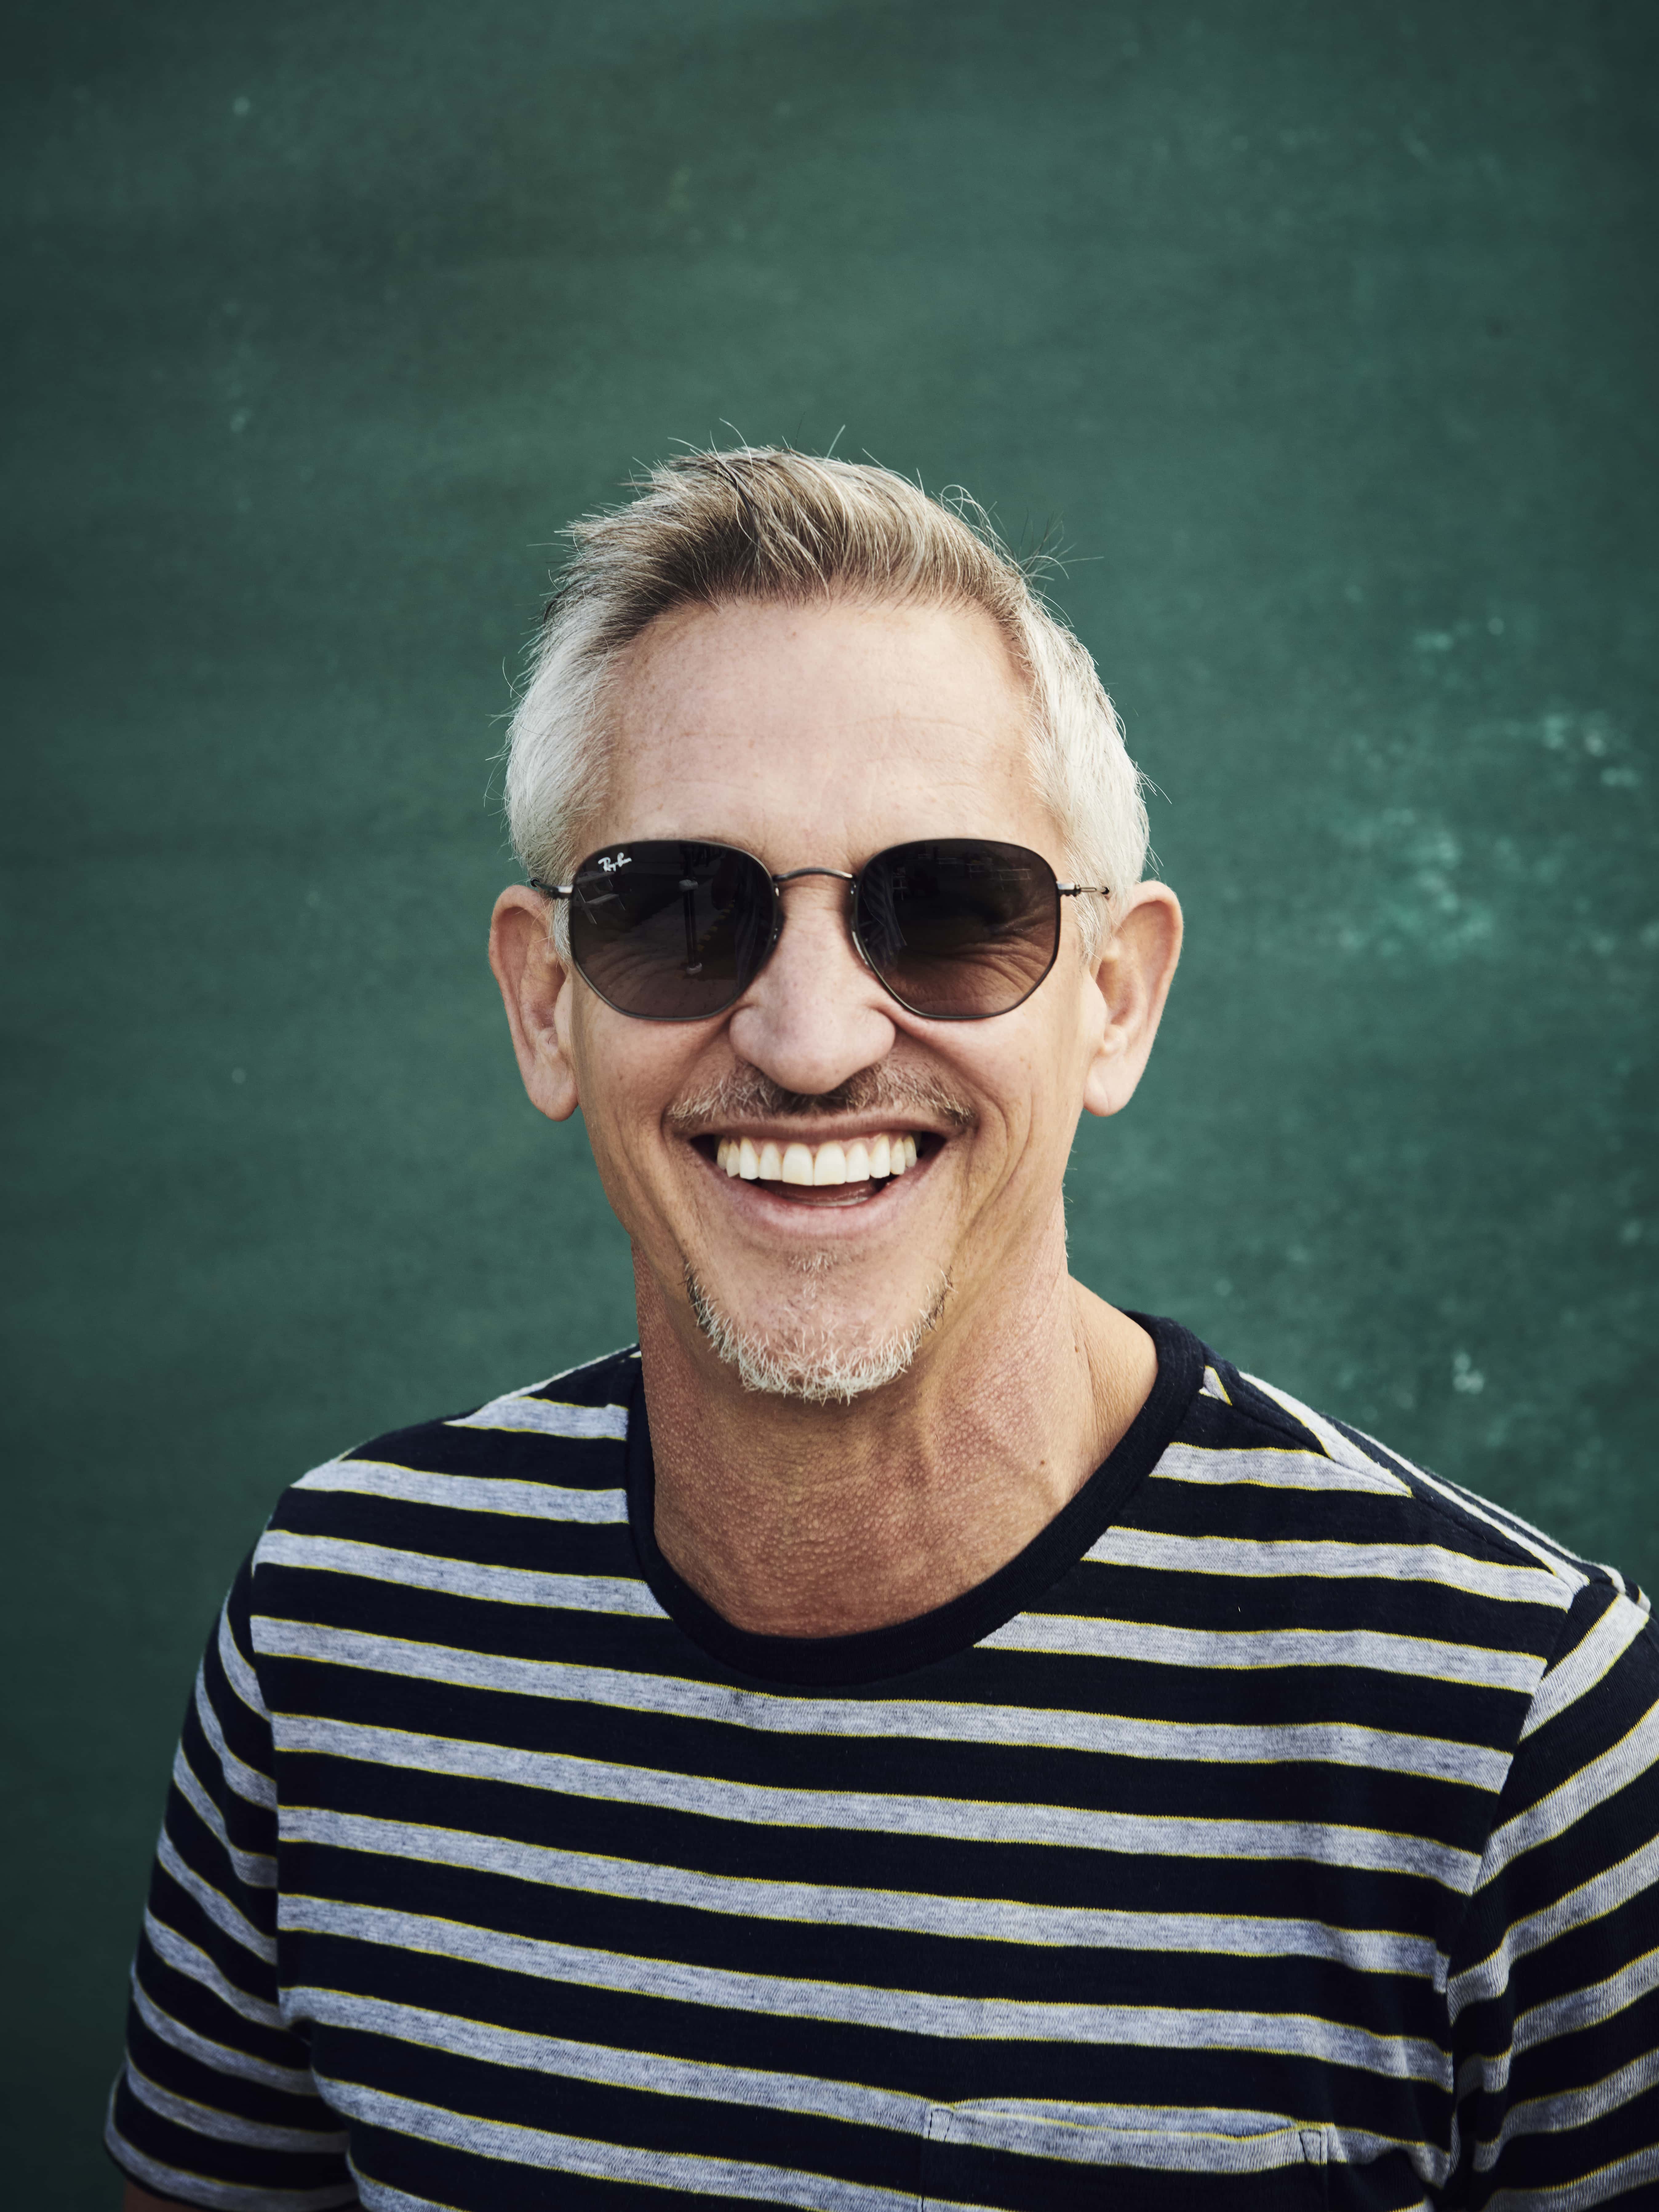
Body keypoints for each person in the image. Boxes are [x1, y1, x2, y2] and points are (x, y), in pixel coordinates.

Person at [109, 450, 1659, 2212]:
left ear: (1112, 1000)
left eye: (950, 906)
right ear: (547, 1005)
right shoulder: (336, 1636)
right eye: (679, 905)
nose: (814, 1033)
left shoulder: (1512, 1737)